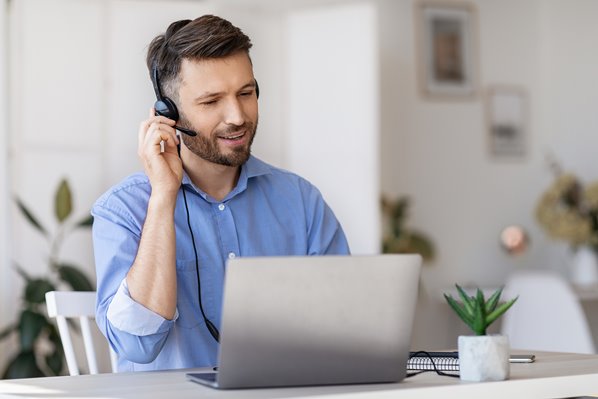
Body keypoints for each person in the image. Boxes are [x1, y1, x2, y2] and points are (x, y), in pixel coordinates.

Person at [92, 14, 350, 372]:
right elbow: (137, 344)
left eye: (246, 93)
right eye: (211, 101)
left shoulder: (301, 202)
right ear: (168, 115)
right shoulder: (123, 210)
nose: (237, 116)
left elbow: (346, 327)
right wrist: (163, 198)